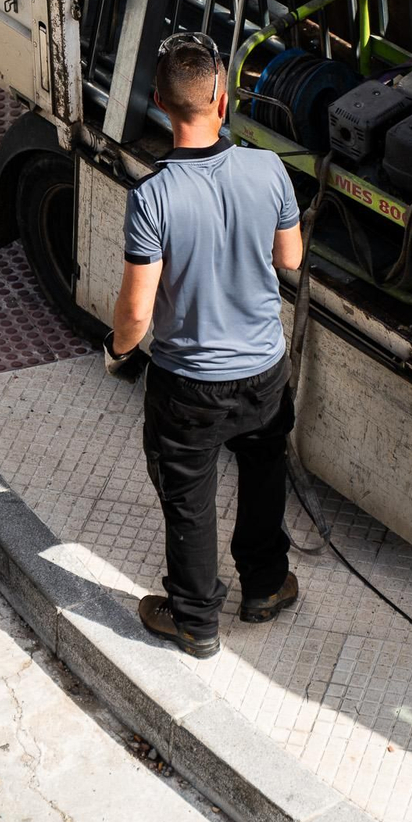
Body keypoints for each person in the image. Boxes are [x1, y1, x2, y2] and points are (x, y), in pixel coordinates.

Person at [104, 32, 305, 659]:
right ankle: (266, 587)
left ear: (161, 104)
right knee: (264, 470)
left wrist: (117, 351)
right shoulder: (268, 168)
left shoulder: (153, 197)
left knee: (189, 494)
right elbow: (291, 259)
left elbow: (136, 312)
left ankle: (194, 620)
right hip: (264, 372)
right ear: (223, 97)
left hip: (188, 384)